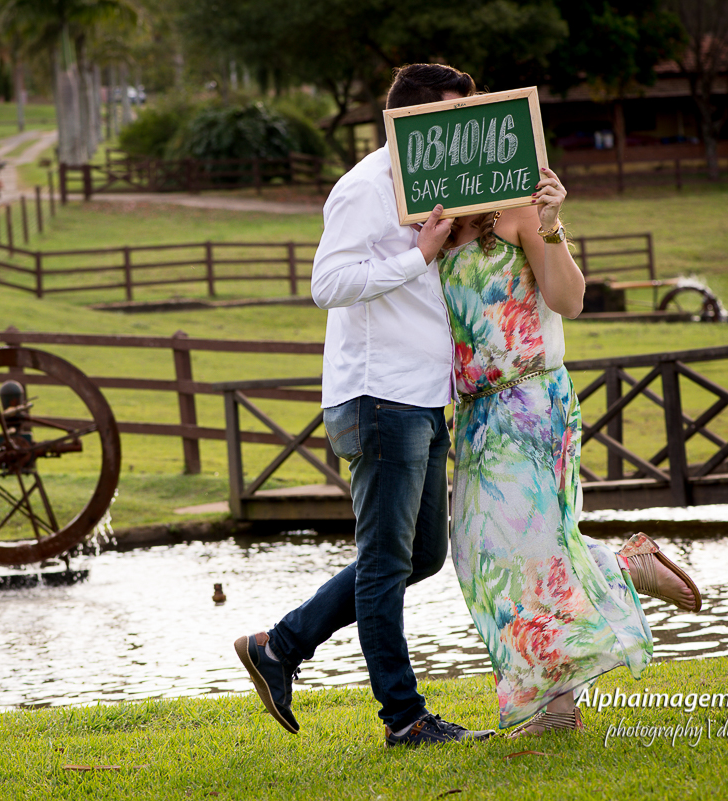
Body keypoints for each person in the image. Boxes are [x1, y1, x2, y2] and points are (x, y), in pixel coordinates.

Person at [234, 63, 495, 748]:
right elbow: (327, 282)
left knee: (423, 555)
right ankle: (404, 719)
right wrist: (418, 256)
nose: (461, 126)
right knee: (385, 563)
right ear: (409, 122)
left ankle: (279, 645)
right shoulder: (364, 187)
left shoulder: (438, 188)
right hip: (378, 398)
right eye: (450, 115)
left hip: (422, 397)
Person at [437, 96, 703, 735]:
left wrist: (551, 223)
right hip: (474, 413)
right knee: (479, 554)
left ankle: (555, 708)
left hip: (531, 400)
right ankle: (620, 571)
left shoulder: (521, 208)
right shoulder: (433, 222)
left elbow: (570, 300)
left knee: (525, 552)